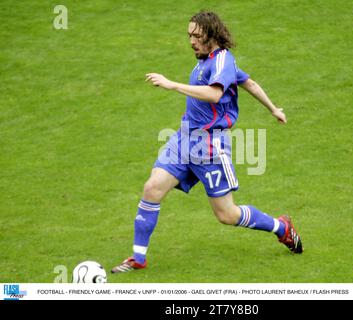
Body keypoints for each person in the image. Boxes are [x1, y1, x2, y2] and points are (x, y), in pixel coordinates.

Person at [112, 11, 302, 273]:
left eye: (196, 36)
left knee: (227, 215)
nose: (191, 41)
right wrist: (273, 108)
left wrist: (172, 85)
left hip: (209, 146)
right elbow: (249, 83)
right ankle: (138, 258)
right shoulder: (204, 59)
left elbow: (214, 95)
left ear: (211, 35)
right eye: (189, 35)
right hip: (183, 139)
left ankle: (281, 227)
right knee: (152, 188)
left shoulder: (223, 60)